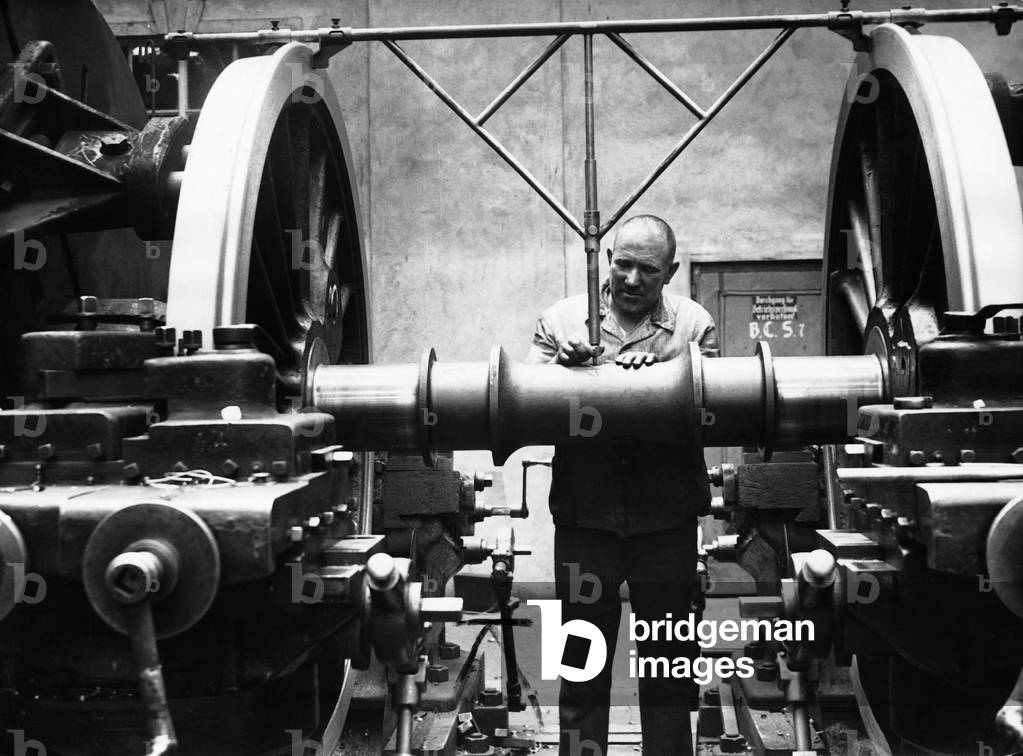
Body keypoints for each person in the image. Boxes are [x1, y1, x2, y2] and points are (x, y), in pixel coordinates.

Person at [526, 214, 719, 755]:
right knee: (582, 667)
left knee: (667, 671)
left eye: (648, 271)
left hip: (666, 522)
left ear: (671, 272)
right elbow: (525, 407)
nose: (632, 279)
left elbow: (717, 410)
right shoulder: (563, 320)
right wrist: (565, 372)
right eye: (623, 264)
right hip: (586, 520)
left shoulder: (694, 325)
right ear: (607, 256)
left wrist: (663, 373)